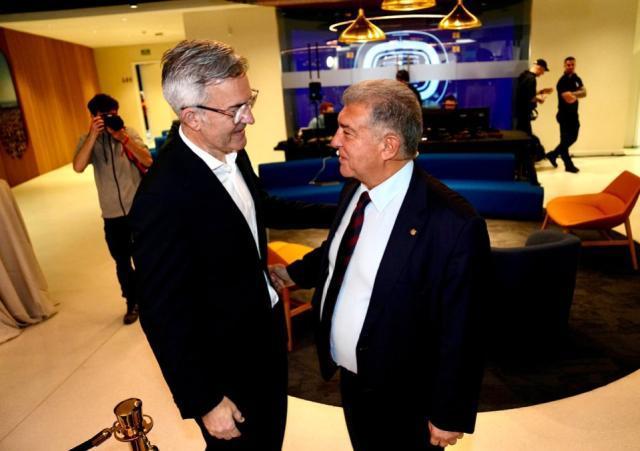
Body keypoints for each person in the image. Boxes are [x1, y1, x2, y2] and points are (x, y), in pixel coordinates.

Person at [128, 40, 334, 450]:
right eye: (236, 109)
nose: (250, 117)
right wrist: (204, 400)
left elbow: (256, 207)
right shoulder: (161, 197)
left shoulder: (230, 149)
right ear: (192, 116)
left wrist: (338, 211)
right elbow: (162, 312)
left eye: (248, 101)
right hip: (225, 365)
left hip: (264, 334)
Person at [270, 79, 491, 450]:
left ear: (388, 145)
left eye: (347, 132)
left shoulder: (453, 223)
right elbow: (340, 249)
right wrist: (292, 273)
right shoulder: (354, 188)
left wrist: (449, 412)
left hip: (407, 397)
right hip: (353, 381)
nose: (334, 141)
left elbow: (464, 329)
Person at [72, 93, 152, 325]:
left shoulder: (129, 133)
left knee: (145, 258)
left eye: (113, 114)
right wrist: (92, 135)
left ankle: (151, 298)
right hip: (112, 215)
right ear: (93, 117)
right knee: (122, 263)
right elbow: (78, 166)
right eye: (104, 116)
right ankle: (132, 301)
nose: (110, 119)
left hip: (137, 211)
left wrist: (123, 138)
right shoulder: (88, 140)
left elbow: (148, 161)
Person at [545, 57, 586, 173]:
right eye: (568, 65)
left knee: (572, 138)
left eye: (572, 64)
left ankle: (553, 154)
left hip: (574, 115)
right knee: (565, 140)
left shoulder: (577, 78)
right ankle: (568, 165)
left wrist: (572, 94)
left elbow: (585, 93)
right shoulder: (562, 81)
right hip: (564, 116)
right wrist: (577, 94)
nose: (571, 67)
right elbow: (569, 99)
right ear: (564, 66)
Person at [515, 58, 553, 136]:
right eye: (543, 70)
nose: (543, 73)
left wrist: (542, 91)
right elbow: (530, 98)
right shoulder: (532, 79)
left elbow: (525, 93)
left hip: (520, 112)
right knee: (526, 136)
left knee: (521, 134)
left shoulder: (524, 75)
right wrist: (540, 99)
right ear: (540, 67)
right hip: (525, 113)